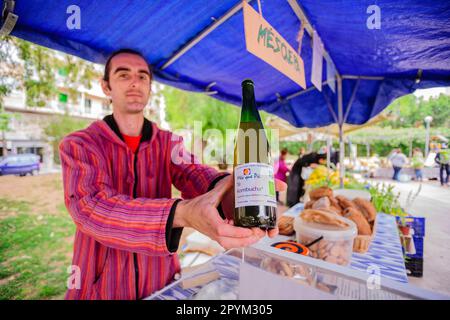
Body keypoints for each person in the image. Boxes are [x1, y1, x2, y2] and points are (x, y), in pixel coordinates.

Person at [59, 49, 285, 300]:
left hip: (162, 284)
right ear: (106, 87)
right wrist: (183, 213)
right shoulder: (80, 144)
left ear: (150, 87)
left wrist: (230, 190)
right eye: (123, 75)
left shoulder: (167, 142)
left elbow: (193, 172)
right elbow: (90, 207)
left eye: (143, 76)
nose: (135, 82)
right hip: (101, 287)